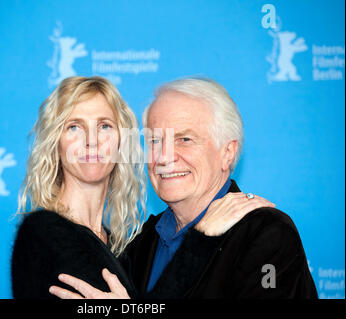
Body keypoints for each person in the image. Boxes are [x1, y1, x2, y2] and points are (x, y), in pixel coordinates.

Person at [49, 77, 318, 299]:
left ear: (228, 152)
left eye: (185, 139)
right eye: (155, 141)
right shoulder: (144, 242)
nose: (164, 157)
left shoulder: (266, 234)